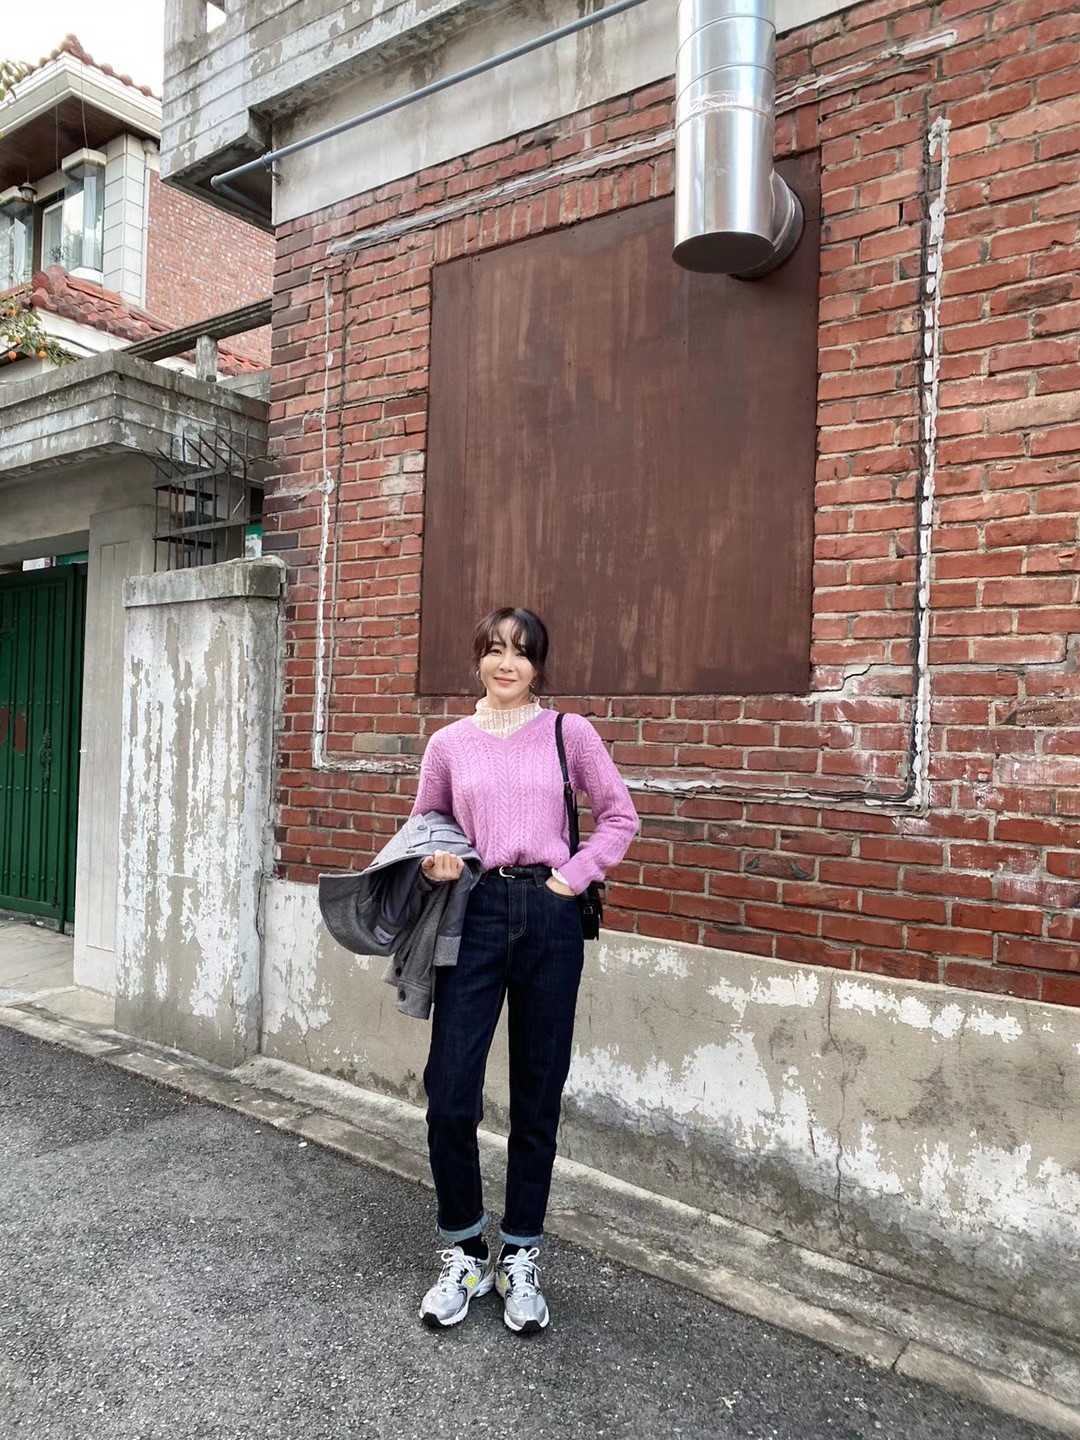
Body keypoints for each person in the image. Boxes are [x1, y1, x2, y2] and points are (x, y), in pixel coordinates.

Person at [413, 606, 638, 1334]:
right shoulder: (448, 744)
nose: (506, 663)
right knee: (450, 1093)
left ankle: (519, 1254)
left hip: (549, 915)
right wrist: (439, 860)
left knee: (538, 1094)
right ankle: (463, 1251)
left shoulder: (570, 734)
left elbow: (619, 816)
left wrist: (573, 877)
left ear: (538, 664)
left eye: (521, 651)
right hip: (474, 912)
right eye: (494, 649)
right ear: (477, 658)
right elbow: (428, 827)